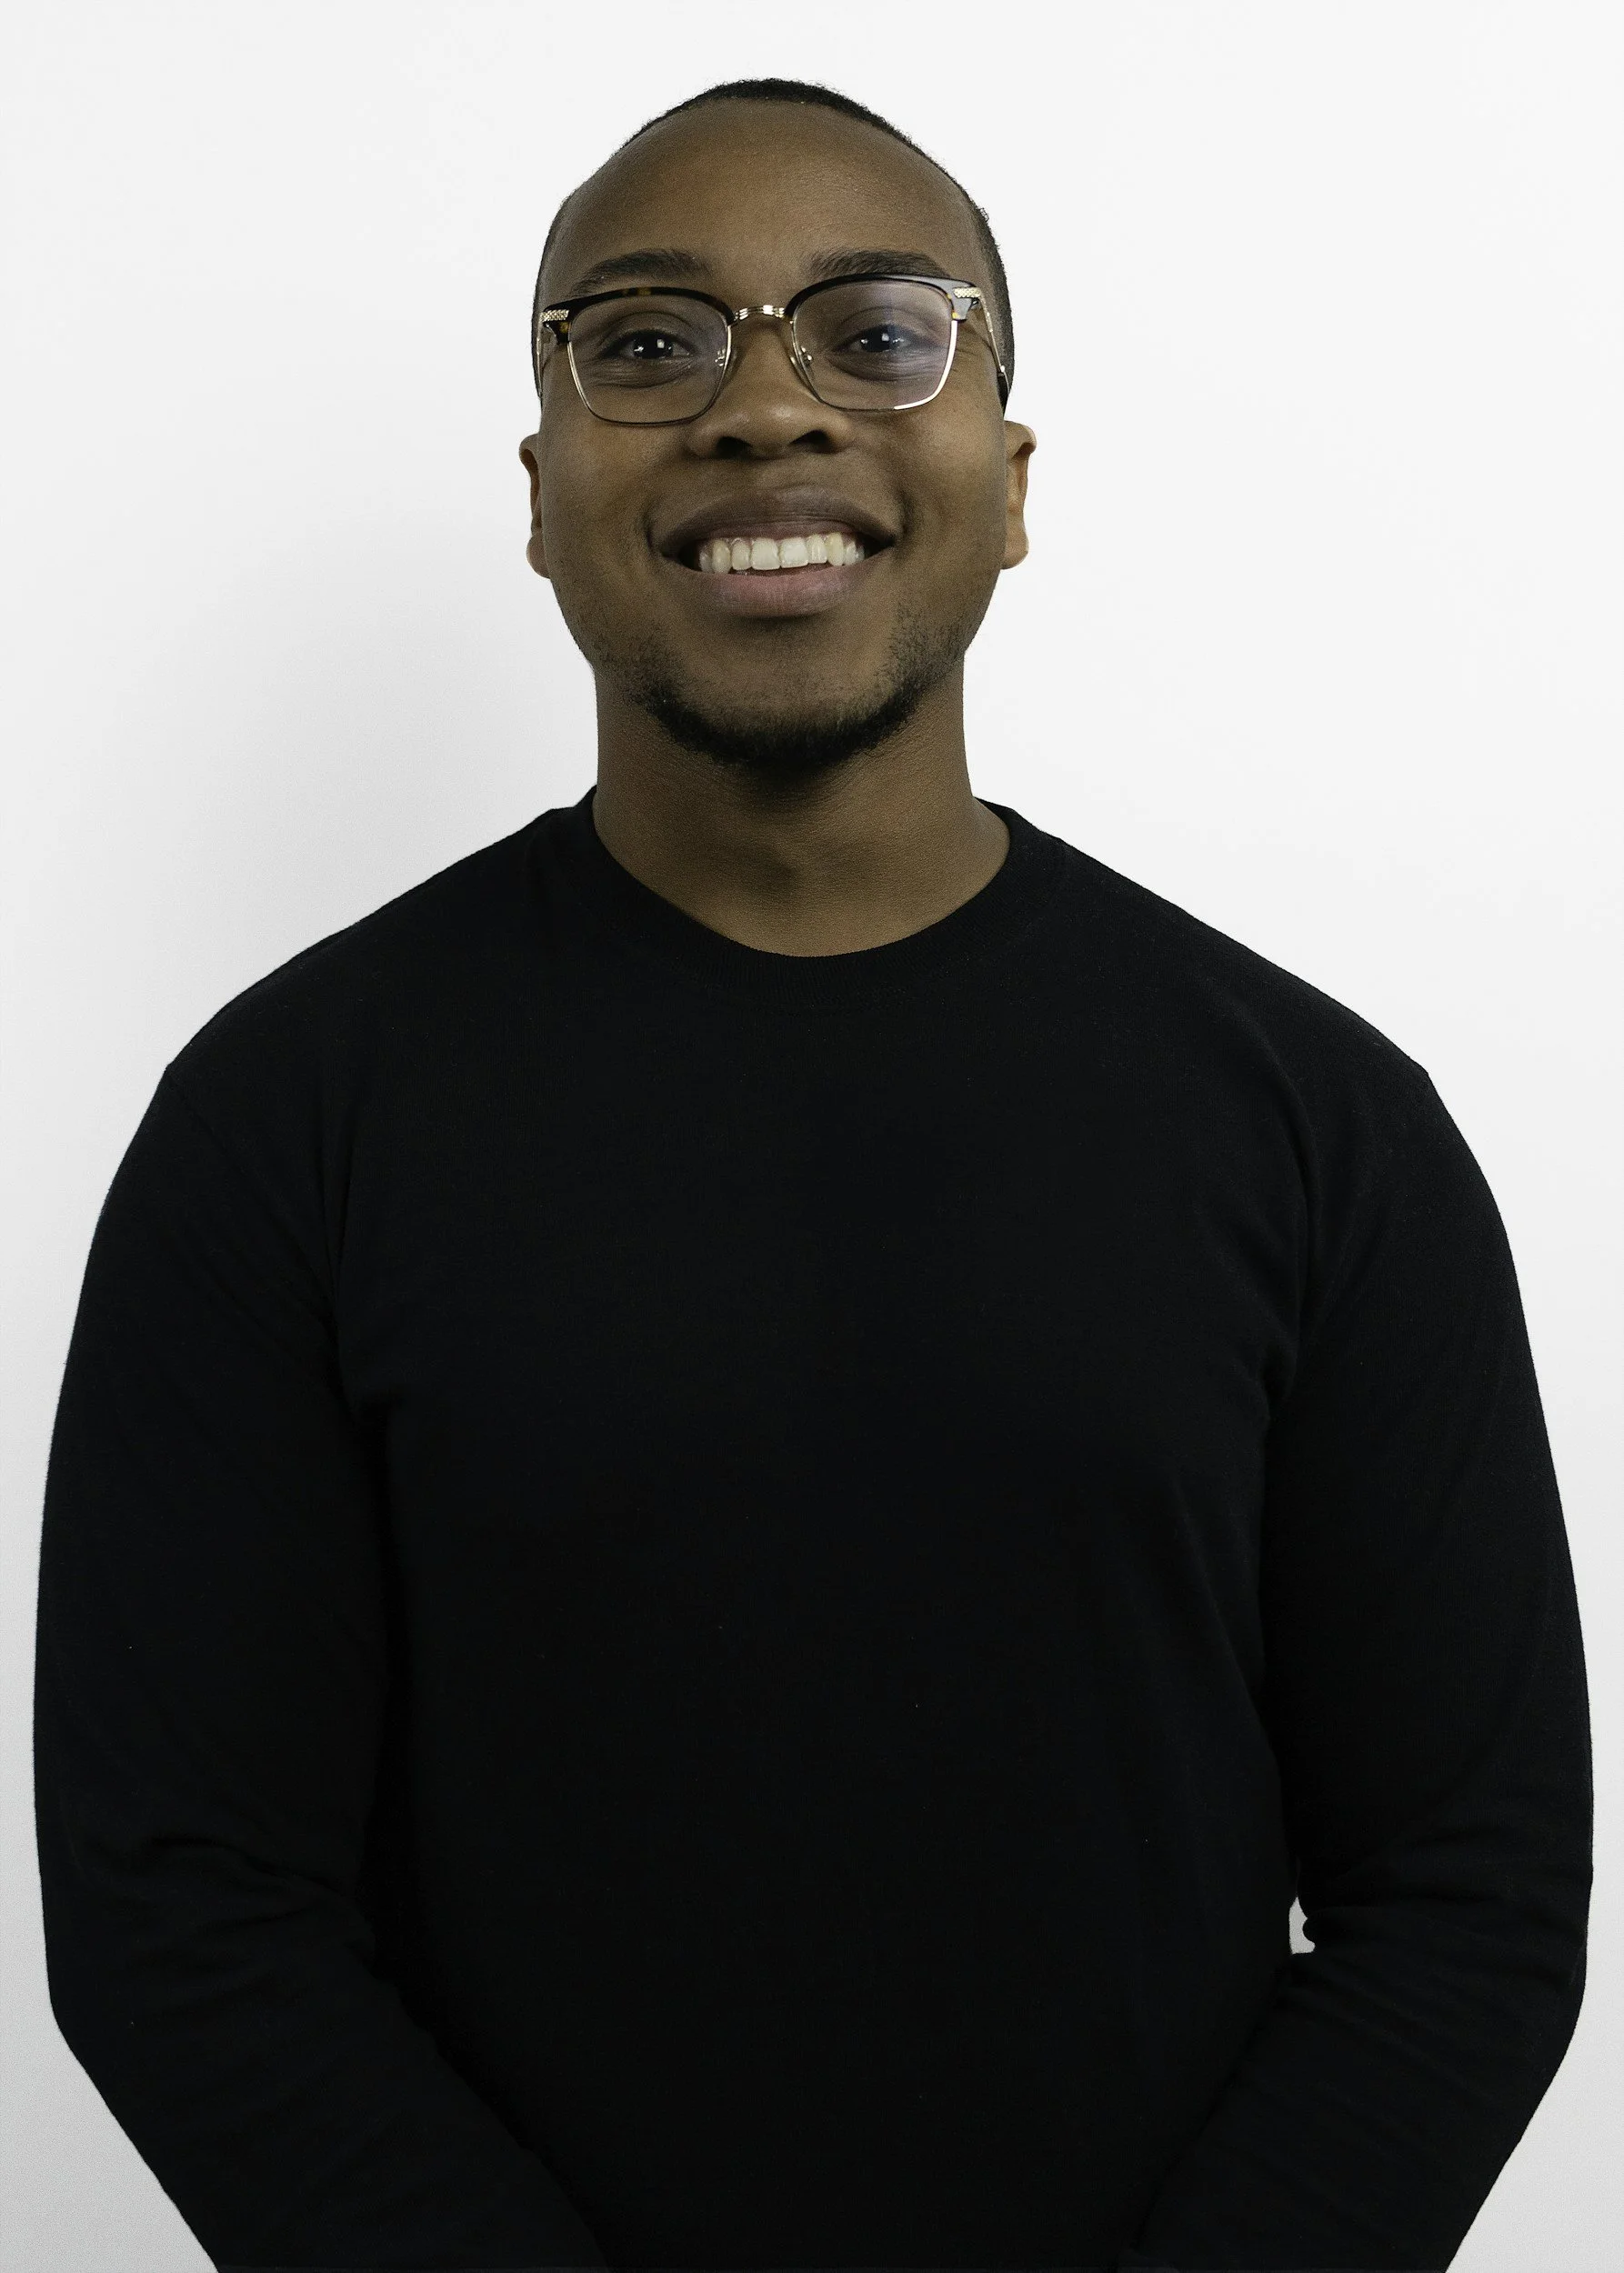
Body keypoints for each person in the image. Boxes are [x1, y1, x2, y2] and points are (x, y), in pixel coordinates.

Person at [34, 76, 1591, 2273]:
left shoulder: (1321, 1124)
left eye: (874, 334)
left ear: (1008, 476)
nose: (766, 412)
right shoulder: (284, 1122)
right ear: (543, 488)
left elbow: (1472, 1891)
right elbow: (178, 1906)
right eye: (648, 342)